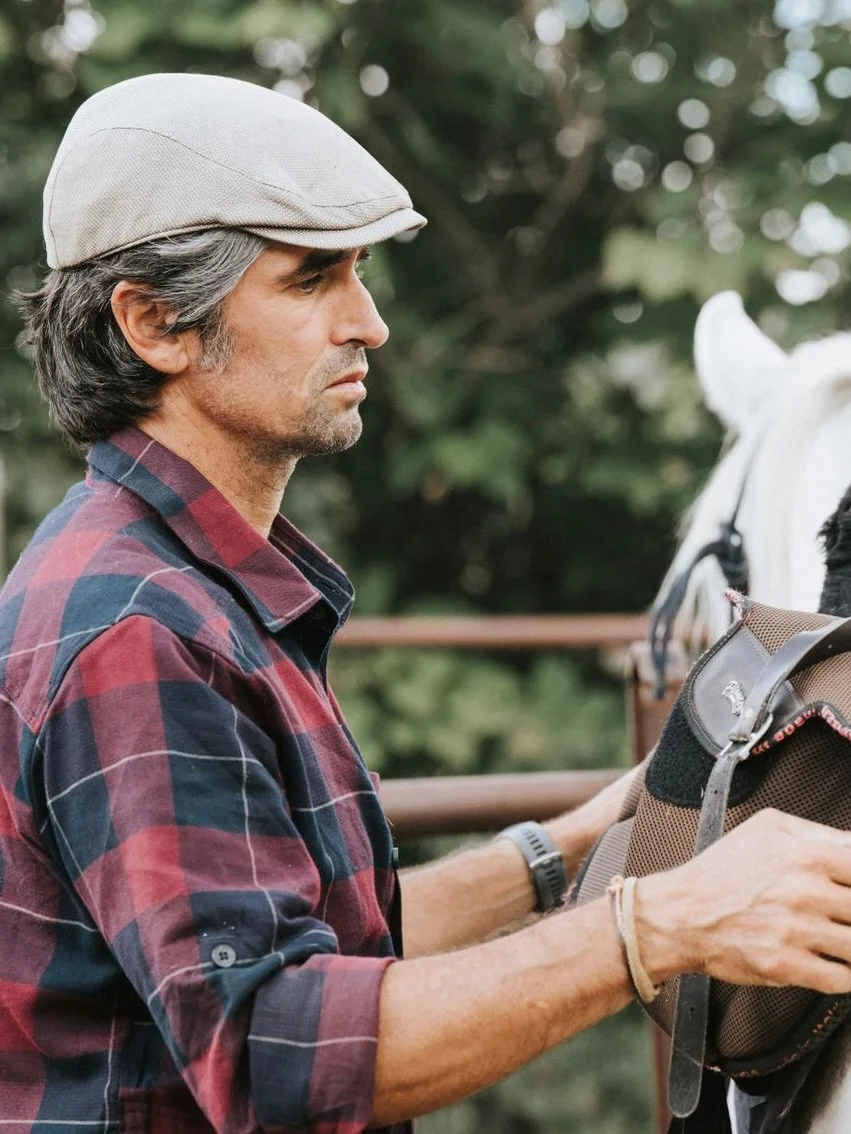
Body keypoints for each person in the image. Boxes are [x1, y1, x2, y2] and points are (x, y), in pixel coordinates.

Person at [5, 71, 851, 1133]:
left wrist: (579, 842)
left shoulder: (189, 584)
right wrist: (660, 923)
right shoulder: (138, 629)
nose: (370, 323)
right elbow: (274, 1050)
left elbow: (313, 936)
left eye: (359, 273)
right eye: (313, 280)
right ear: (156, 325)